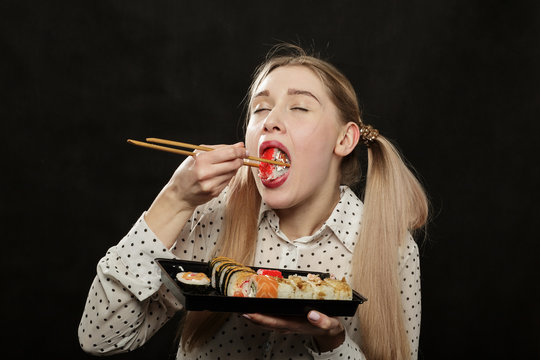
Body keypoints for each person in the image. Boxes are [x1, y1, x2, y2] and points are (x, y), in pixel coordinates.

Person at [78, 43, 428, 360]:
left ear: (345, 139)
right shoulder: (212, 212)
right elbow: (100, 336)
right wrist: (174, 201)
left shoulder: (392, 248)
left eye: (299, 107)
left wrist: (331, 345)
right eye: (260, 109)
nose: (271, 122)